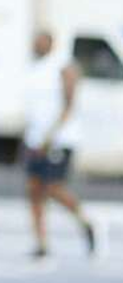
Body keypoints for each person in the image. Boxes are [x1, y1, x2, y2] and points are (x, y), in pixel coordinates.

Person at [21, 29, 98, 260]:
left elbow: (69, 104)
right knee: (34, 190)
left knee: (53, 188)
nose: (35, 45)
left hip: (59, 139)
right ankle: (41, 243)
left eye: (39, 41)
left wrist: (51, 135)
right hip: (35, 138)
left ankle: (86, 221)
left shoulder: (64, 66)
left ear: (50, 43)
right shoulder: (35, 68)